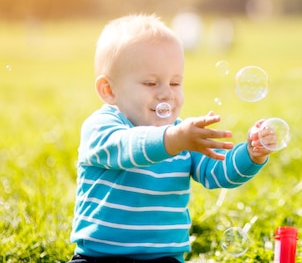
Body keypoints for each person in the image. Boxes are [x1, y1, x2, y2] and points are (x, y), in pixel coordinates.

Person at [69, 14, 274, 263]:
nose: (166, 93)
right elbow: (126, 148)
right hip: (100, 257)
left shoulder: (182, 137)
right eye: (151, 83)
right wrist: (174, 139)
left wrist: (251, 154)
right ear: (109, 90)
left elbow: (218, 172)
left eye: (175, 83)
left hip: (164, 257)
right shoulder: (101, 127)